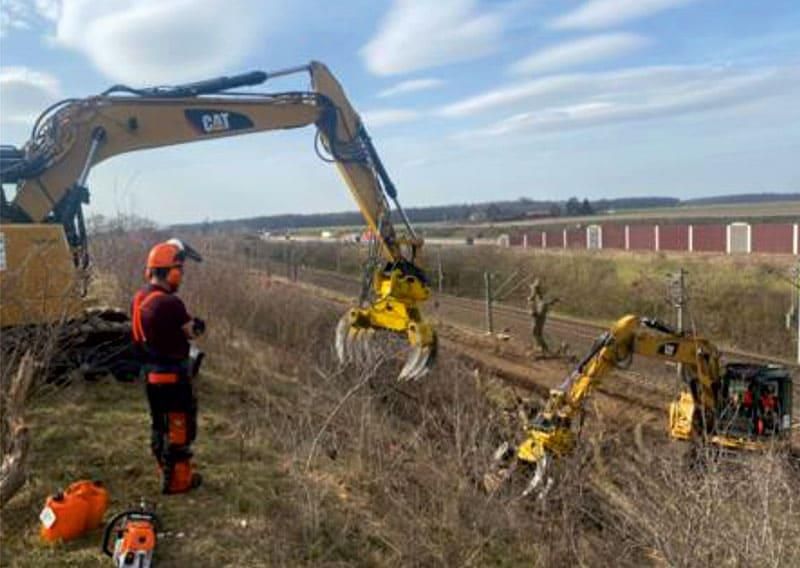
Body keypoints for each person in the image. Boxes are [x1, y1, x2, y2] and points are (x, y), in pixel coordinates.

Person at [131, 238, 205, 494]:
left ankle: (165, 472)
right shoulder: (170, 303)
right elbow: (189, 332)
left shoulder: (140, 297)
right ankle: (179, 482)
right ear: (169, 271)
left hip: (150, 375)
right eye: (180, 271)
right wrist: (198, 325)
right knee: (180, 427)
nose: (181, 276)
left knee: (158, 425)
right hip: (173, 376)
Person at [527, 279, 559, 355]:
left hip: (539, 315)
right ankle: (541, 347)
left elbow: (542, 302)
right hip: (538, 314)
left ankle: (542, 348)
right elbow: (534, 301)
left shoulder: (538, 295)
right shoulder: (536, 295)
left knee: (536, 332)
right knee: (536, 332)